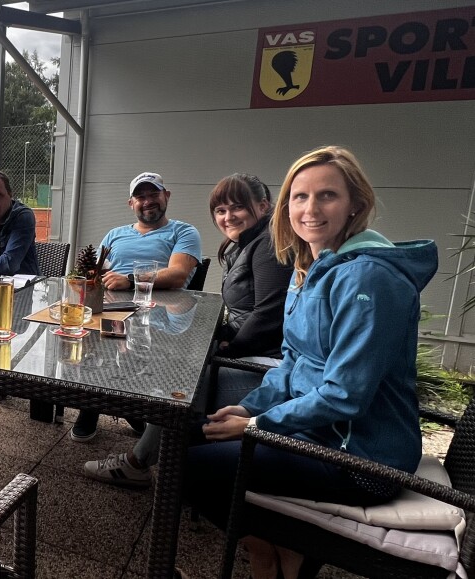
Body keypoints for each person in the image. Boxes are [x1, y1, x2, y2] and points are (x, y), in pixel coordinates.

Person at [186, 146, 435, 579]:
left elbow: (345, 395)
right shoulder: (312, 267)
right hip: (317, 432)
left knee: (188, 466)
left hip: (362, 460)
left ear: (355, 204)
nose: (310, 209)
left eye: (327, 195)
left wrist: (256, 426)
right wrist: (248, 407)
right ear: (286, 206)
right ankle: (280, 546)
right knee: (189, 430)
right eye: (299, 196)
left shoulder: (370, 278)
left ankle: (269, 553)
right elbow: (292, 361)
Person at [83, 173, 293, 488]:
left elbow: (268, 314)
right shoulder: (247, 243)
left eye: (237, 207)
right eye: (221, 210)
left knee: (181, 380)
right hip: (120, 308)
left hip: (260, 360)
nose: (228, 216)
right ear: (131, 203)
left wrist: (226, 346)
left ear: (263, 206)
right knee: (101, 344)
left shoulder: (267, 245)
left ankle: (138, 460)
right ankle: (104, 406)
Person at [70, 171, 203, 440]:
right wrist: (86, 278)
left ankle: (121, 403)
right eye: (140, 197)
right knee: (78, 338)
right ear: (131, 203)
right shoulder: (115, 234)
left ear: (166, 196)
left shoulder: (184, 231)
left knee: (126, 346)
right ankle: (100, 403)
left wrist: (129, 280)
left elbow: (178, 275)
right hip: (110, 311)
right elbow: (97, 270)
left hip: (158, 313)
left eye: (154, 194)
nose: (147, 201)